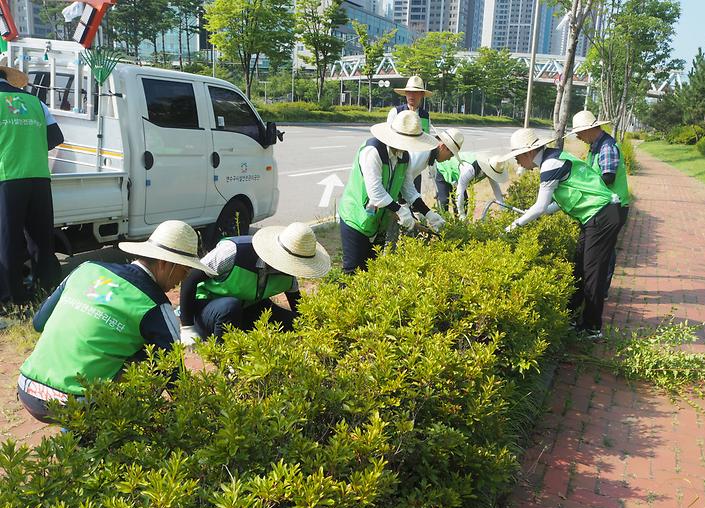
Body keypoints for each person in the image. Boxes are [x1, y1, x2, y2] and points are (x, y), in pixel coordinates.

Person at [17, 220, 213, 423]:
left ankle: (76, 440)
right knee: (145, 365)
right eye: (184, 270)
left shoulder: (86, 269)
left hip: (27, 387)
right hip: (75, 403)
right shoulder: (156, 306)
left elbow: (38, 323)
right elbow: (175, 380)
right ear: (166, 264)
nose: (183, 279)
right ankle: (95, 442)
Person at [503, 128, 622, 339]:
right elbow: (555, 204)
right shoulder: (553, 159)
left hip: (602, 216)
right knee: (579, 267)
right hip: (595, 217)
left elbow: (540, 206)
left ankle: (591, 328)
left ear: (529, 152)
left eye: (518, 157)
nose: (518, 163)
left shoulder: (550, 164)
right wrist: (531, 214)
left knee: (592, 272)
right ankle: (573, 319)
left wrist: (516, 225)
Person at [179, 222, 331, 344]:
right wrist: (187, 327)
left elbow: (299, 308)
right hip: (208, 310)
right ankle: (227, 365)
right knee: (229, 307)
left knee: (292, 322)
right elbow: (191, 278)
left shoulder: (290, 274)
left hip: (246, 308)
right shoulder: (233, 252)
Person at [338, 110, 438, 274]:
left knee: (370, 272)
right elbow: (375, 192)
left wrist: (428, 213)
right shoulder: (373, 151)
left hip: (378, 221)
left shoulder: (403, 156)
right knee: (352, 272)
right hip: (355, 218)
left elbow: (407, 188)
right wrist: (401, 211)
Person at [0, 59, 64, 305]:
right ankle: (46, 291)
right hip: (38, 178)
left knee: (7, 241)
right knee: (41, 240)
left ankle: (11, 299)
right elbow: (55, 136)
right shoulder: (35, 101)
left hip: (7, 178)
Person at [570, 110, 630, 297]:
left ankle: (601, 290)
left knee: (604, 252)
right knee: (604, 250)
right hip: (604, 206)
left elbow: (608, 177)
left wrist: (584, 187)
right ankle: (599, 288)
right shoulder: (596, 146)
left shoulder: (606, 147)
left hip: (613, 206)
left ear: (590, 130)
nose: (578, 137)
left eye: (579, 133)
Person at [405, 127, 464, 223]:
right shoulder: (422, 153)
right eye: (451, 155)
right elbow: (404, 186)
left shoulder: (427, 153)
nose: (449, 159)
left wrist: (428, 214)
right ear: (443, 147)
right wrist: (402, 209)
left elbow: (407, 188)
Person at [435, 153, 510, 220]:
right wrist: (462, 215)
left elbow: (496, 189)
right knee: (444, 201)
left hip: (457, 178)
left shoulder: (491, 169)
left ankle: (458, 228)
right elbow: (459, 193)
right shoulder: (469, 170)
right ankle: (442, 227)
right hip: (445, 167)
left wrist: (503, 209)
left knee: (464, 202)